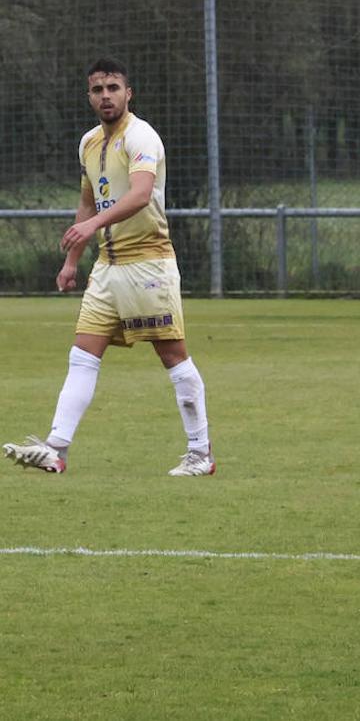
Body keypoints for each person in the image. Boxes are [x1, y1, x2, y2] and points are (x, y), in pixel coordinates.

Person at [3, 57, 213, 477]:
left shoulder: (142, 136)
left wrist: (94, 225)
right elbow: (87, 201)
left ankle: (200, 453)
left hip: (148, 262)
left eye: (113, 88)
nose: (106, 96)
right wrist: (71, 261)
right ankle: (56, 448)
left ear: (128, 93)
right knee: (82, 355)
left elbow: (140, 194)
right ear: (89, 96)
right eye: (98, 90)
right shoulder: (88, 142)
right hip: (107, 267)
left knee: (173, 356)